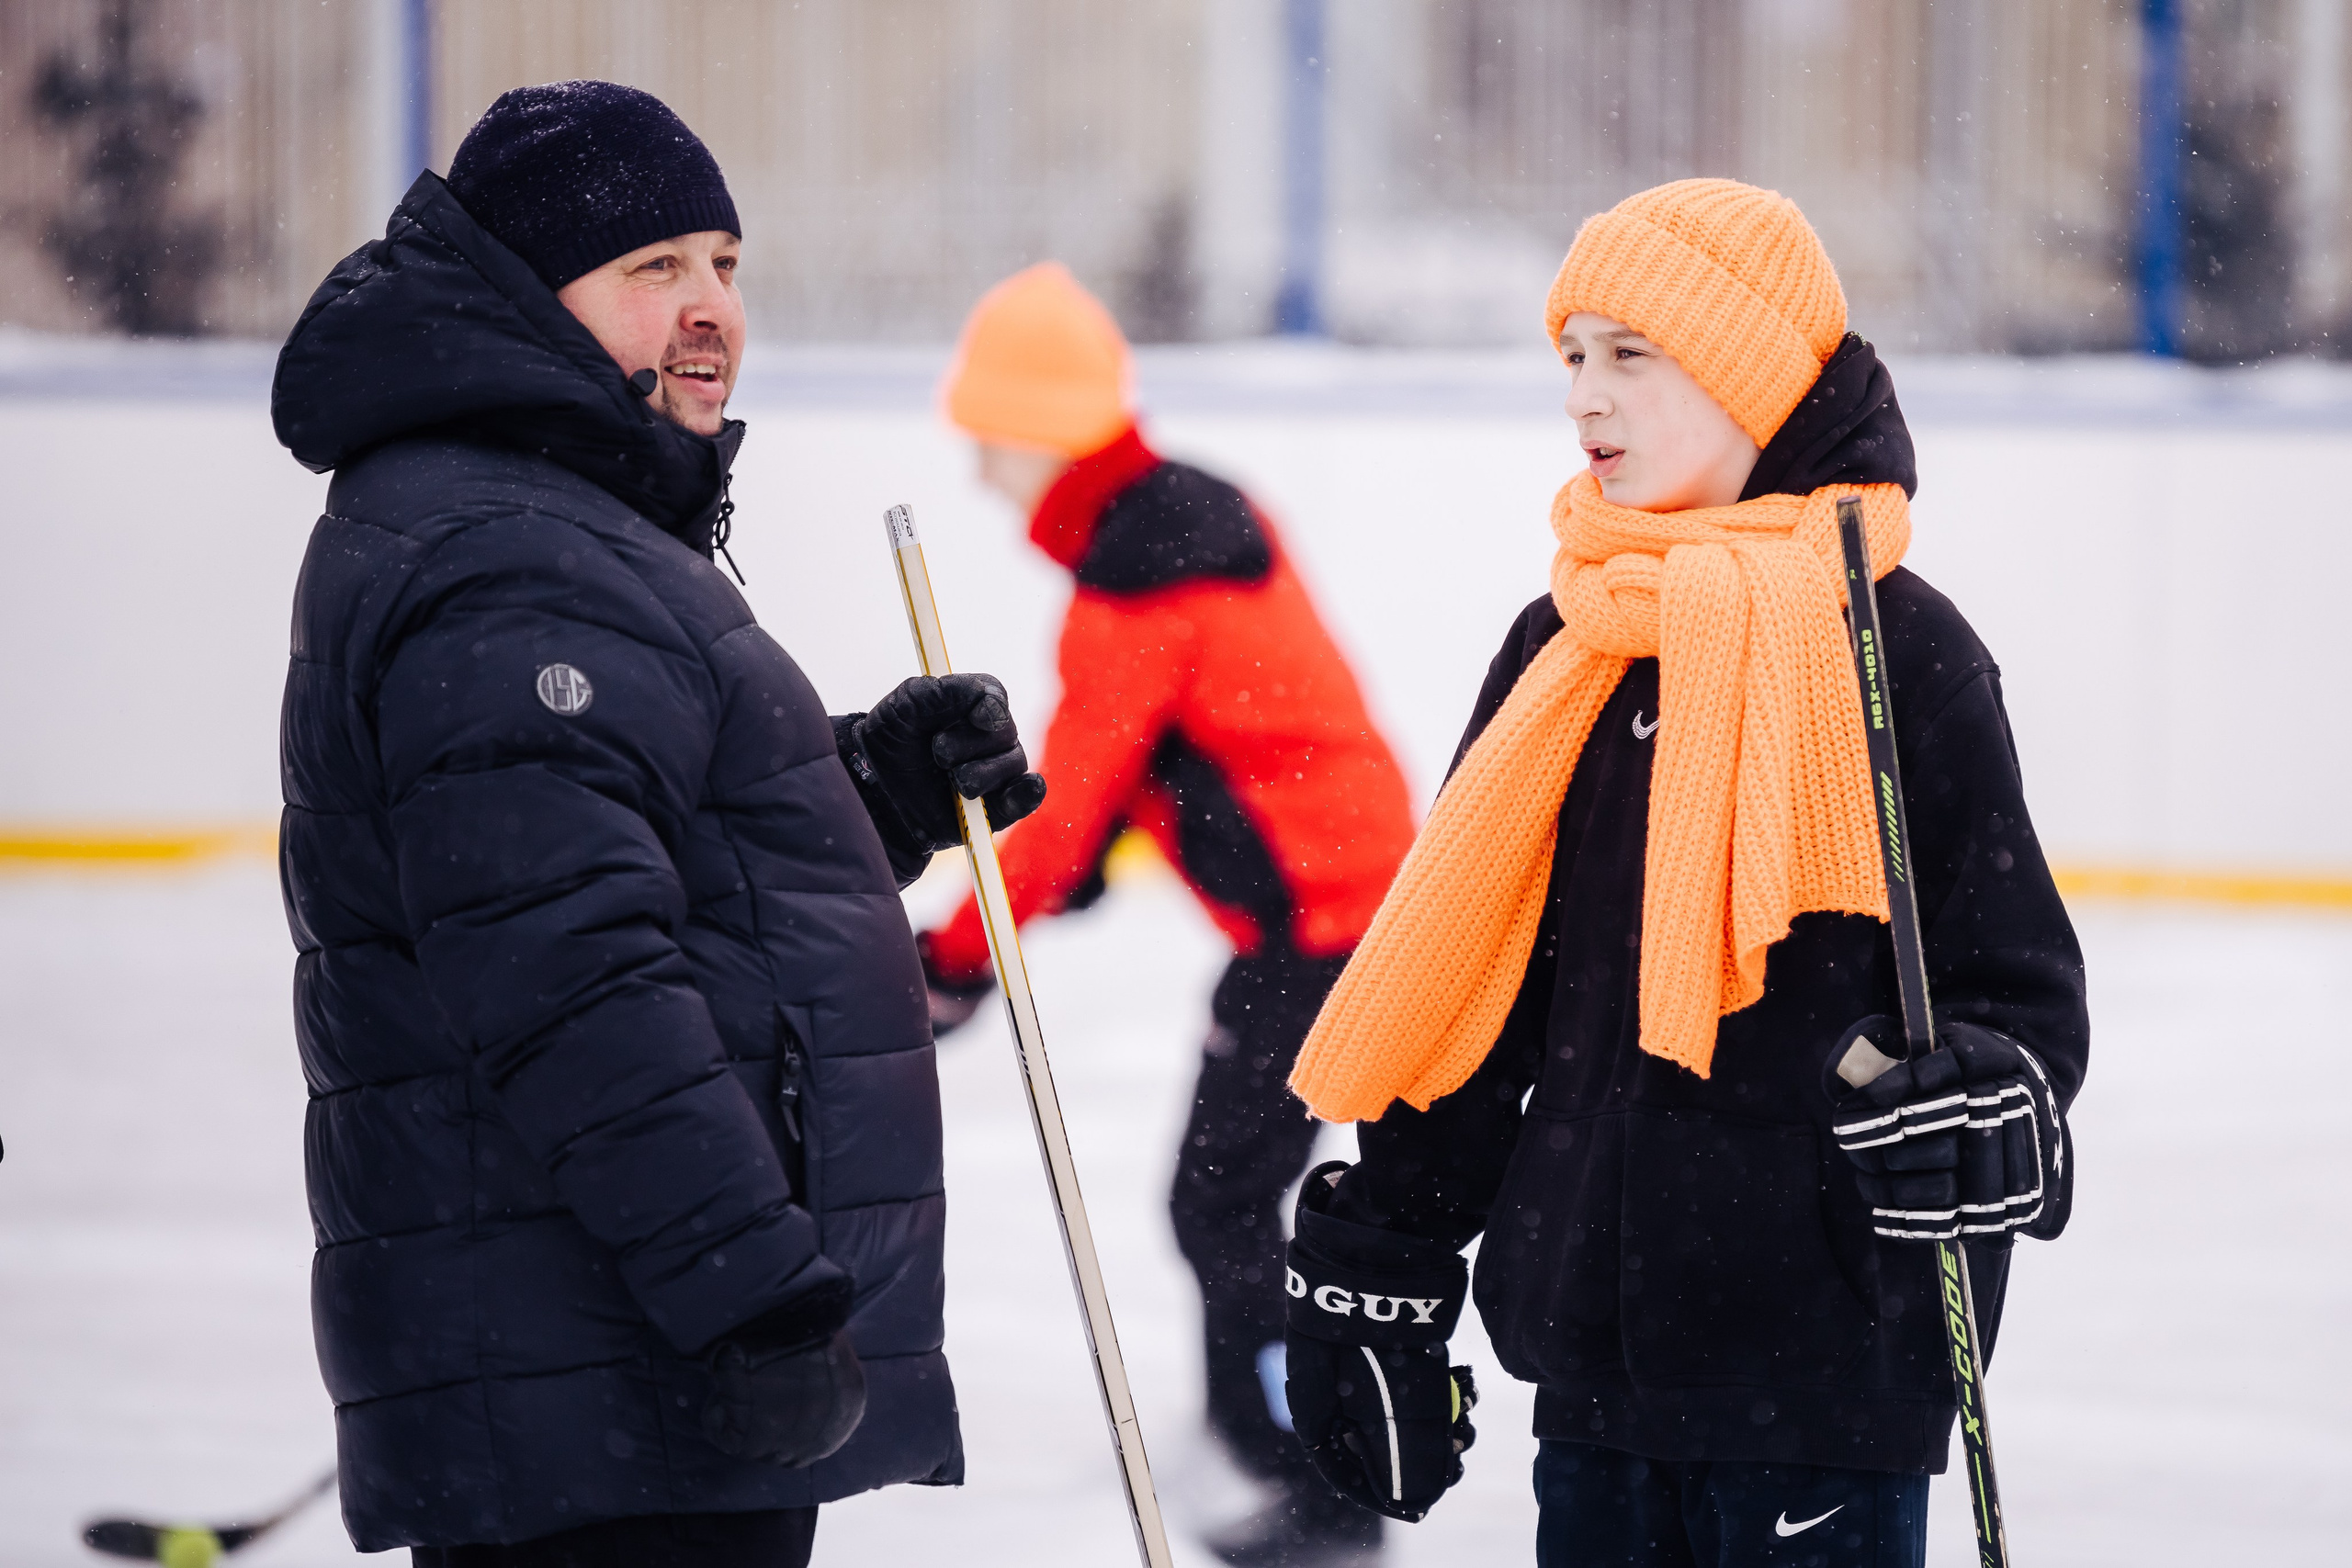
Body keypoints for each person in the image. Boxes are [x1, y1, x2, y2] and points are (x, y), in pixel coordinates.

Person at [270, 83, 1046, 1565]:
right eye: (652, 269)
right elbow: (566, 977)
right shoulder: (514, 557)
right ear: (527, 298)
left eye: (725, 264)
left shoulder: (541, 516)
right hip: (615, 1373)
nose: (710, 310)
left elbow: (630, 872)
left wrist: (870, 788)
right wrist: (750, 1295)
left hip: (602, 1368)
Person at [1273, 179, 2088, 1566]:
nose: (1586, 397)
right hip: (1595, 1357)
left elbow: (2018, 987)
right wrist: (1385, 1256)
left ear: (1749, 376)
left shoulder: (1902, 650)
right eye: (1573, 358)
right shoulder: (1569, 644)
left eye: (1630, 356)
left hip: (1829, 1366)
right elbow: (1477, 985)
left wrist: (1990, 1095)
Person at [917, 263, 1417, 1565]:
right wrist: (1076, 866)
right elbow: (1197, 747)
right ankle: (1283, 1459)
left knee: (1224, 1199)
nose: (979, 475)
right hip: (1344, 913)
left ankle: (1317, 1487)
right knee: (1233, 1195)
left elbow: (1066, 805)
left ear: (1037, 436)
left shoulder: (1135, 578)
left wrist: (955, 960)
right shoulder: (1186, 522)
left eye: (987, 444)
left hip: (1327, 931)